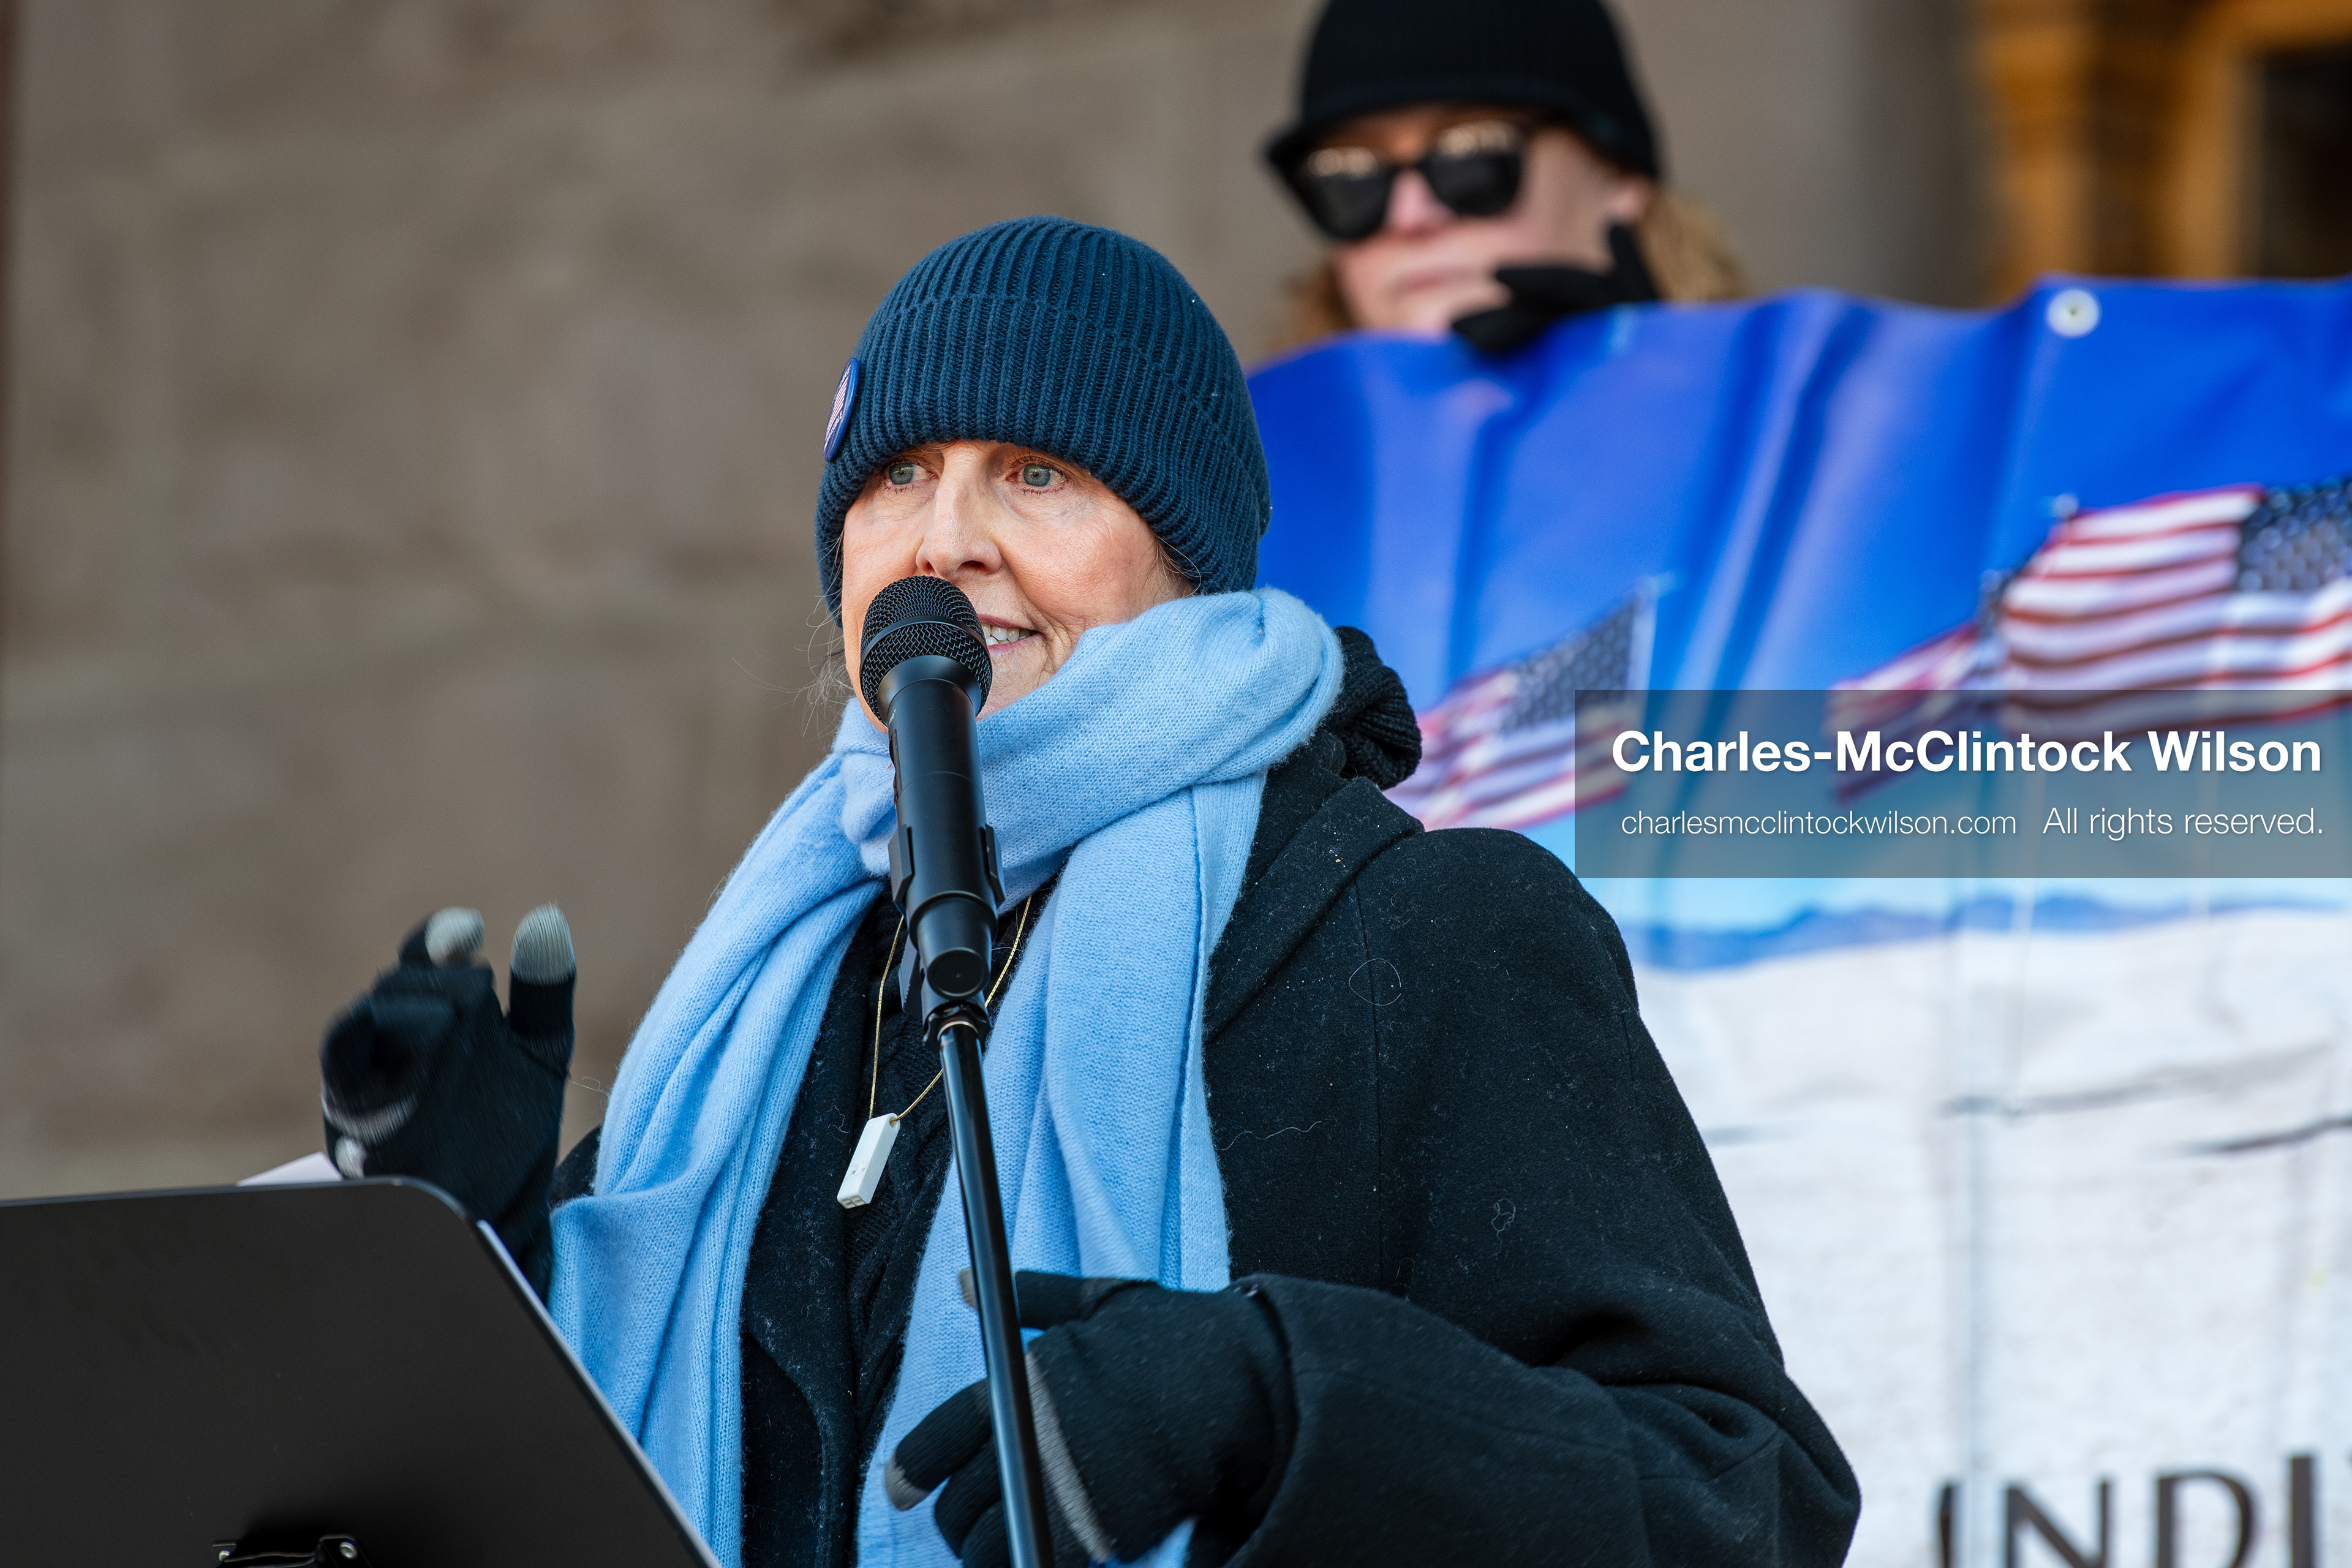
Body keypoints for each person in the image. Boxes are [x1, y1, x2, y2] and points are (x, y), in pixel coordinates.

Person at [315, 216, 1857, 1568]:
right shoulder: (769, 1011)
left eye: (1036, 475)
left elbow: (1742, 1504)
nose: (945, 543)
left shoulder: (1426, 934)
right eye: (898, 477)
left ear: (1184, 566)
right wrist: (469, 1242)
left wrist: (1274, 1396)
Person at [1265, 0, 1746, 354]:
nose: (1410, 218)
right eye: (1351, 179)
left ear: (1617, 176)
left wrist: (1659, 388)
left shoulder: (1782, 425)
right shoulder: (1251, 460)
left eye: (1472, 156)